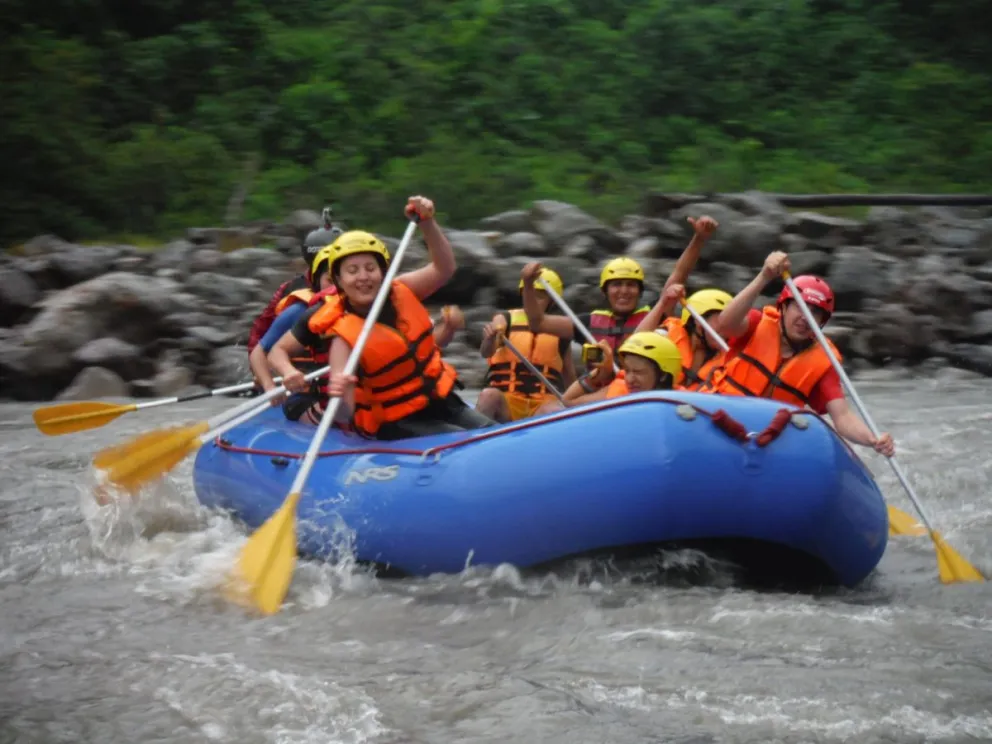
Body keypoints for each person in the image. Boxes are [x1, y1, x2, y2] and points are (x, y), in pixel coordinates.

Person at [268, 196, 494, 439]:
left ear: (383, 272)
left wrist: (427, 224)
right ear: (339, 281)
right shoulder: (341, 335)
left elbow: (444, 268)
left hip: (441, 400)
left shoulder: (400, 290)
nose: (363, 277)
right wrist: (332, 388)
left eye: (370, 268)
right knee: (459, 442)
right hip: (396, 420)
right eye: (352, 271)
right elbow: (344, 413)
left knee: (490, 433)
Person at [702, 252, 895, 456]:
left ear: (822, 322)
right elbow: (726, 324)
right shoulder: (757, 323)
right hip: (719, 416)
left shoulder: (824, 362)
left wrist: (872, 439)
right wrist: (764, 276)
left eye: (815, 312)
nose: (805, 317)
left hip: (765, 439)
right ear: (784, 307)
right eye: (800, 307)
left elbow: (842, 416)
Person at [521, 216, 719, 393]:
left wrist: (699, 239)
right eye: (616, 285)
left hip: (634, 393)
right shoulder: (588, 322)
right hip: (600, 394)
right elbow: (538, 322)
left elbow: (679, 274)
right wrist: (529, 285)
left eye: (631, 285)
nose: (624, 291)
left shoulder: (655, 313)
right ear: (605, 291)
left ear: (640, 291)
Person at [475, 265, 577, 422]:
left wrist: (578, 405)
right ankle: (478, 443)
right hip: (507, 402)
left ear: (552, 301)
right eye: (531, 294)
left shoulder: (559, 332)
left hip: (541, 405)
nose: (534, 300)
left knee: (554, 409)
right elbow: (486, 352)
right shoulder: (505, 319)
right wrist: (489, 338)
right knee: (488, 395)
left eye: (541, 296)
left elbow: (569, 376)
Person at [246, 208, 342, 357]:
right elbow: (262, 330)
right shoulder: (292, 291)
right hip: (298, 359)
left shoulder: (358, 288)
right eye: (330, 278)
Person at [633, 285, 734, 391]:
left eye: (730, 323)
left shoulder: (731, 359)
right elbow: (636, 343)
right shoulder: (667, 337)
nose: (726, 329)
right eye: (720, 321)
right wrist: (663, 303)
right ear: (697, 321)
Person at [562, 332, 683, 405]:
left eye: (638, 372)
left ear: (663, 375)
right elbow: (569, 400)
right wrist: (599, 375)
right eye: (627, 370)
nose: (630, 379)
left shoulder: (682, 404)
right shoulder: (619, 391)